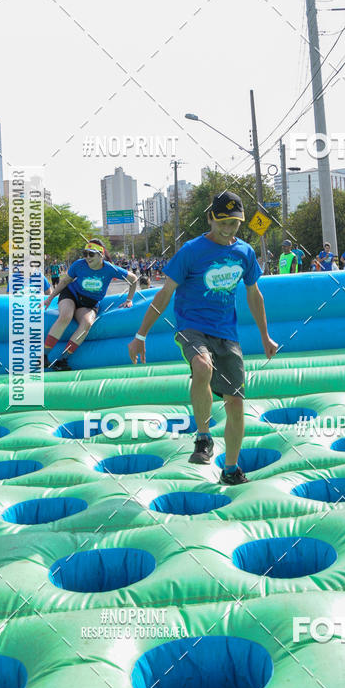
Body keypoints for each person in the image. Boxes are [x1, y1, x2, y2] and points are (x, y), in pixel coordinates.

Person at [128, 190, 278, 485]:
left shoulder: (245, 253)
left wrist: (265, 336)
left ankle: (231, 469)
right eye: (222, 222)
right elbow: (164, 293)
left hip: (226, 333)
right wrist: (140, 335)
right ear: (210, 218)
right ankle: (203, 437)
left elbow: (254, 294)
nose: (227, 229)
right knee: (203, 366)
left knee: (236, 403)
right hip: (191, 327)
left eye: (234, 224)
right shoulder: (192, 251)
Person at [43, 238, 137, 371]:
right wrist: (49, 298)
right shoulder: (79, 265)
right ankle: (44, 356)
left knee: (87, 323)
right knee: (66, 316)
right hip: (71, 295)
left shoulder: (110, 269)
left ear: (101, 255)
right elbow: (64, 282)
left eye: (91, 254)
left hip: (89, 303)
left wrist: (129, 299)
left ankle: (63, 359)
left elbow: (133, 278)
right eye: (85, 254)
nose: (87, 257)